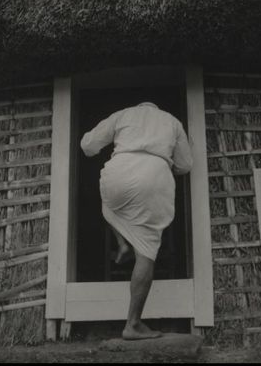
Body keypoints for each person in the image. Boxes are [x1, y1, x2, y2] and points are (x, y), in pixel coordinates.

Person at [80, 102, 193, 340]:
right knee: (146, 250)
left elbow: (88, 146)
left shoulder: (123, 114)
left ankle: (121, 243)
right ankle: (132, 324)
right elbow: (185, 166)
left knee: (109, 203)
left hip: (119, 170)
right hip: (154, 175)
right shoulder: (172, 121)